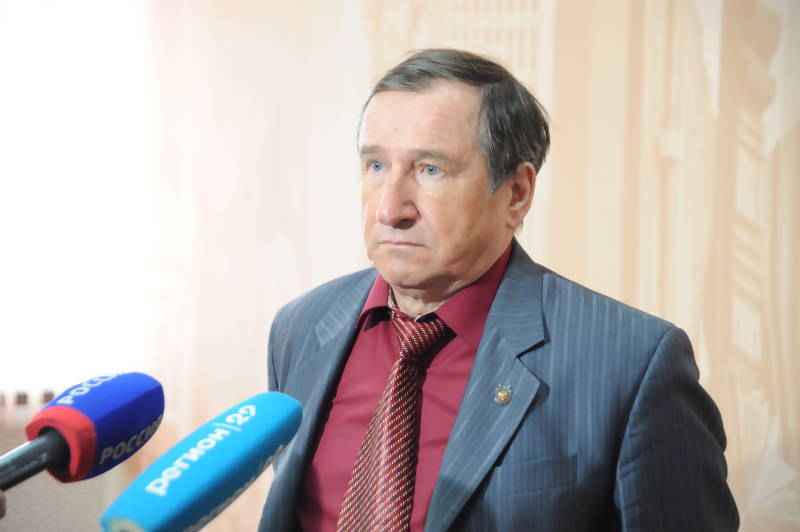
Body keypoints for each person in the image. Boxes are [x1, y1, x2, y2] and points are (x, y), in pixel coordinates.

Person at [258, 49, 738, 531]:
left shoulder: (630, 364)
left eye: (430, 169)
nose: (389, 208)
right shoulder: (300, 328)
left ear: (516, 193)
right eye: (376, 165)